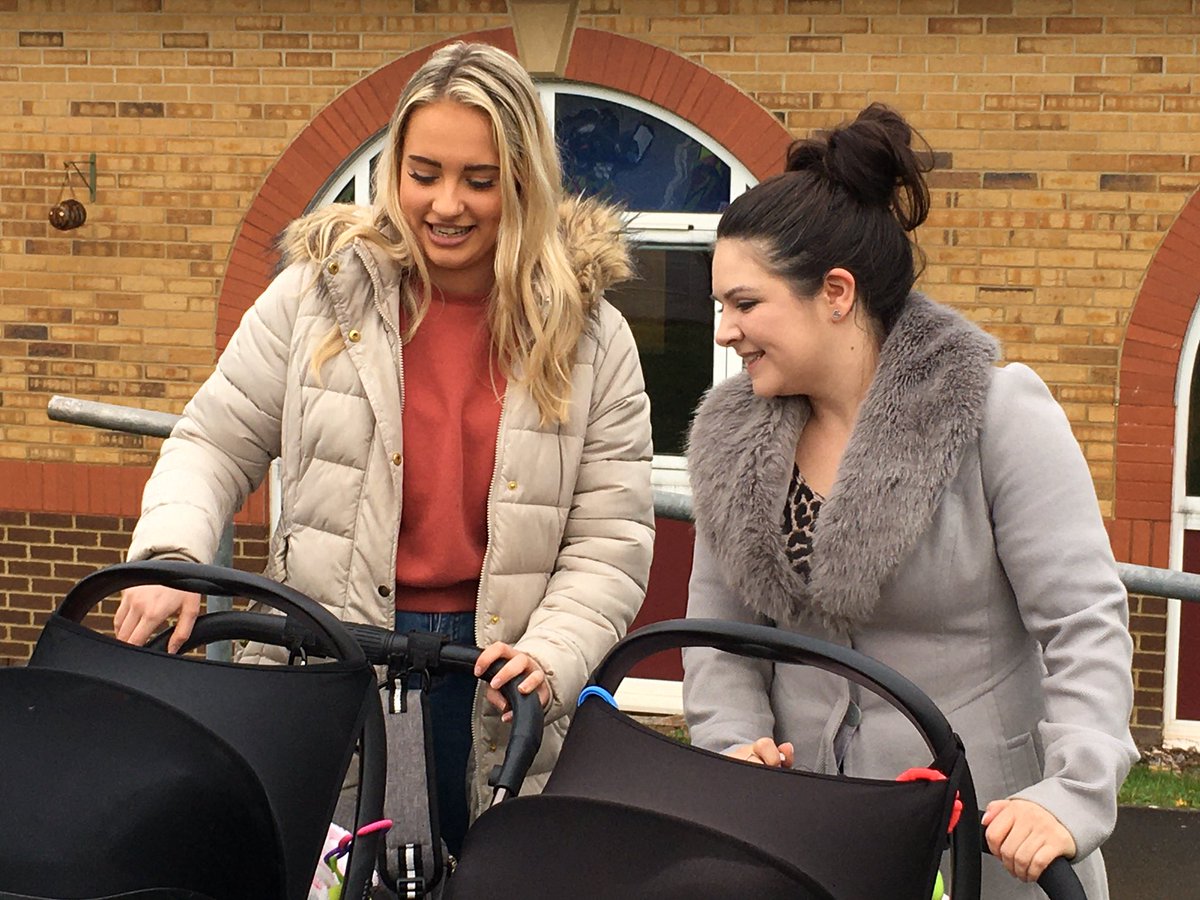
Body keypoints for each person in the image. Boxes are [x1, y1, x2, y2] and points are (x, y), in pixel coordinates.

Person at [114, 41, 655, 858]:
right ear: (392, 167)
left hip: (493, 681)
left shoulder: (592, 336)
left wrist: (548, 656)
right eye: (424, 172)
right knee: (323, 875)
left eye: (480, 179)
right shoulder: (317, 294)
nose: (446, 204)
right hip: (326, 659)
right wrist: (171, 559)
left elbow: (610, 545)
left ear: (523, 181)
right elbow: (213, 441)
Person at [681, 103, 1137, 899]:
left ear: (834, 292)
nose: (725, 330)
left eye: (745, 304)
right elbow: (718, 638)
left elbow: (1084, 623)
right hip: (806, 845)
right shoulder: (733, 442)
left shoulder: (996, 415)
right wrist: (732, 745)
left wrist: (1072, 793)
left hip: (989, 849)